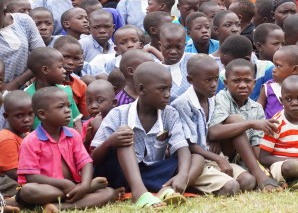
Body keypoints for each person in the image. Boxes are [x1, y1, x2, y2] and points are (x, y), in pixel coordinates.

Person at [91, 62, 191, 208]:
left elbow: (181, 147)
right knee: (124, 135)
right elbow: (94, 158)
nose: (168, 94)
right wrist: (110, 142)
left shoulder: (170, 114)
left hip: (152, 173)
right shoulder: (118, 114)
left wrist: (183, 175)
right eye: (162, 89)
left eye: (169, 89)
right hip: (121, 175)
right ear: (141, 89)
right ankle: (139, 193)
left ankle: (167, 189)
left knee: (195, 158)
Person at [16, 87, 120, 210]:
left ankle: (57, 206)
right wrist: (64, 184)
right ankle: (79, 191)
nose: (68, 111)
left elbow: (86, 163)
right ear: (42, 114)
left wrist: (85, 185)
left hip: (73, 185)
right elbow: (31, 177)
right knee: (28, 190)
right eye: (61, 107)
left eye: (68, 106)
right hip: (46, 188)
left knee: (108, 192)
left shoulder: (73, 134)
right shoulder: (31, 141)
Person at [171, 55, 251, 196]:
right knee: (231, 187)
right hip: (195, 162)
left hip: (214, 157)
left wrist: (216, 140)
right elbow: (188, 145)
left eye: (216, 79)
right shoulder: (182, 104)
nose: (214, 84)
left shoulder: (213, 100)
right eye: (208, 80)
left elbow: (215, 128)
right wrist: (219, 159)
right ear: (190, 80)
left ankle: (213, 181)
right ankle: (191, 186)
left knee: (248, 181)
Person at [207, 59, 282, 192]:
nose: (242, 85)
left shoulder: (257, 108)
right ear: (226, 83)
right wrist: (250, 123)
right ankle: (260, 176)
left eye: (247, 81)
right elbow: (213, 132)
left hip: (241, 160)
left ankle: (254, 175)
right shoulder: (222, 97)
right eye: (236, 81)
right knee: (235, 119)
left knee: (248, 182)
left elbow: (256, 145)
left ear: (254, 83)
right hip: (221, 154)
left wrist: (269, 163)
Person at [24, 47, 82, 131]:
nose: (64, 71)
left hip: (67, 138)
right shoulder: (27, 96)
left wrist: (79, 137)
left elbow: (76, 120)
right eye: (60, 67)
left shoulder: (65, 91)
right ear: (45, 69)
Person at [257, 46, 298, 119]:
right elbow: (257, 111)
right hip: (271, 126)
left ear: (294, 69)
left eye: (278, 66)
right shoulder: (268, 87)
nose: (273, 70)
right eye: (274, 65)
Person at [0, 91, 33, 189]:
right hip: (11, 184)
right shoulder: (7, 139)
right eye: (19, 115)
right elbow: (12, 173)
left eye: (30, 114)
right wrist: (38, 179)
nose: (27, 119)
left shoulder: (26, 134)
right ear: (6, 116)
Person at [82, 80, 117, 152]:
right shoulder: (87, 125)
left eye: (100, 100)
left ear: (114, 102)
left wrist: (98, 129)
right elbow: (81, 152)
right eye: (89, 102)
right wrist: (87, 140)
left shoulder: (117, 122)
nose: (93, 106)